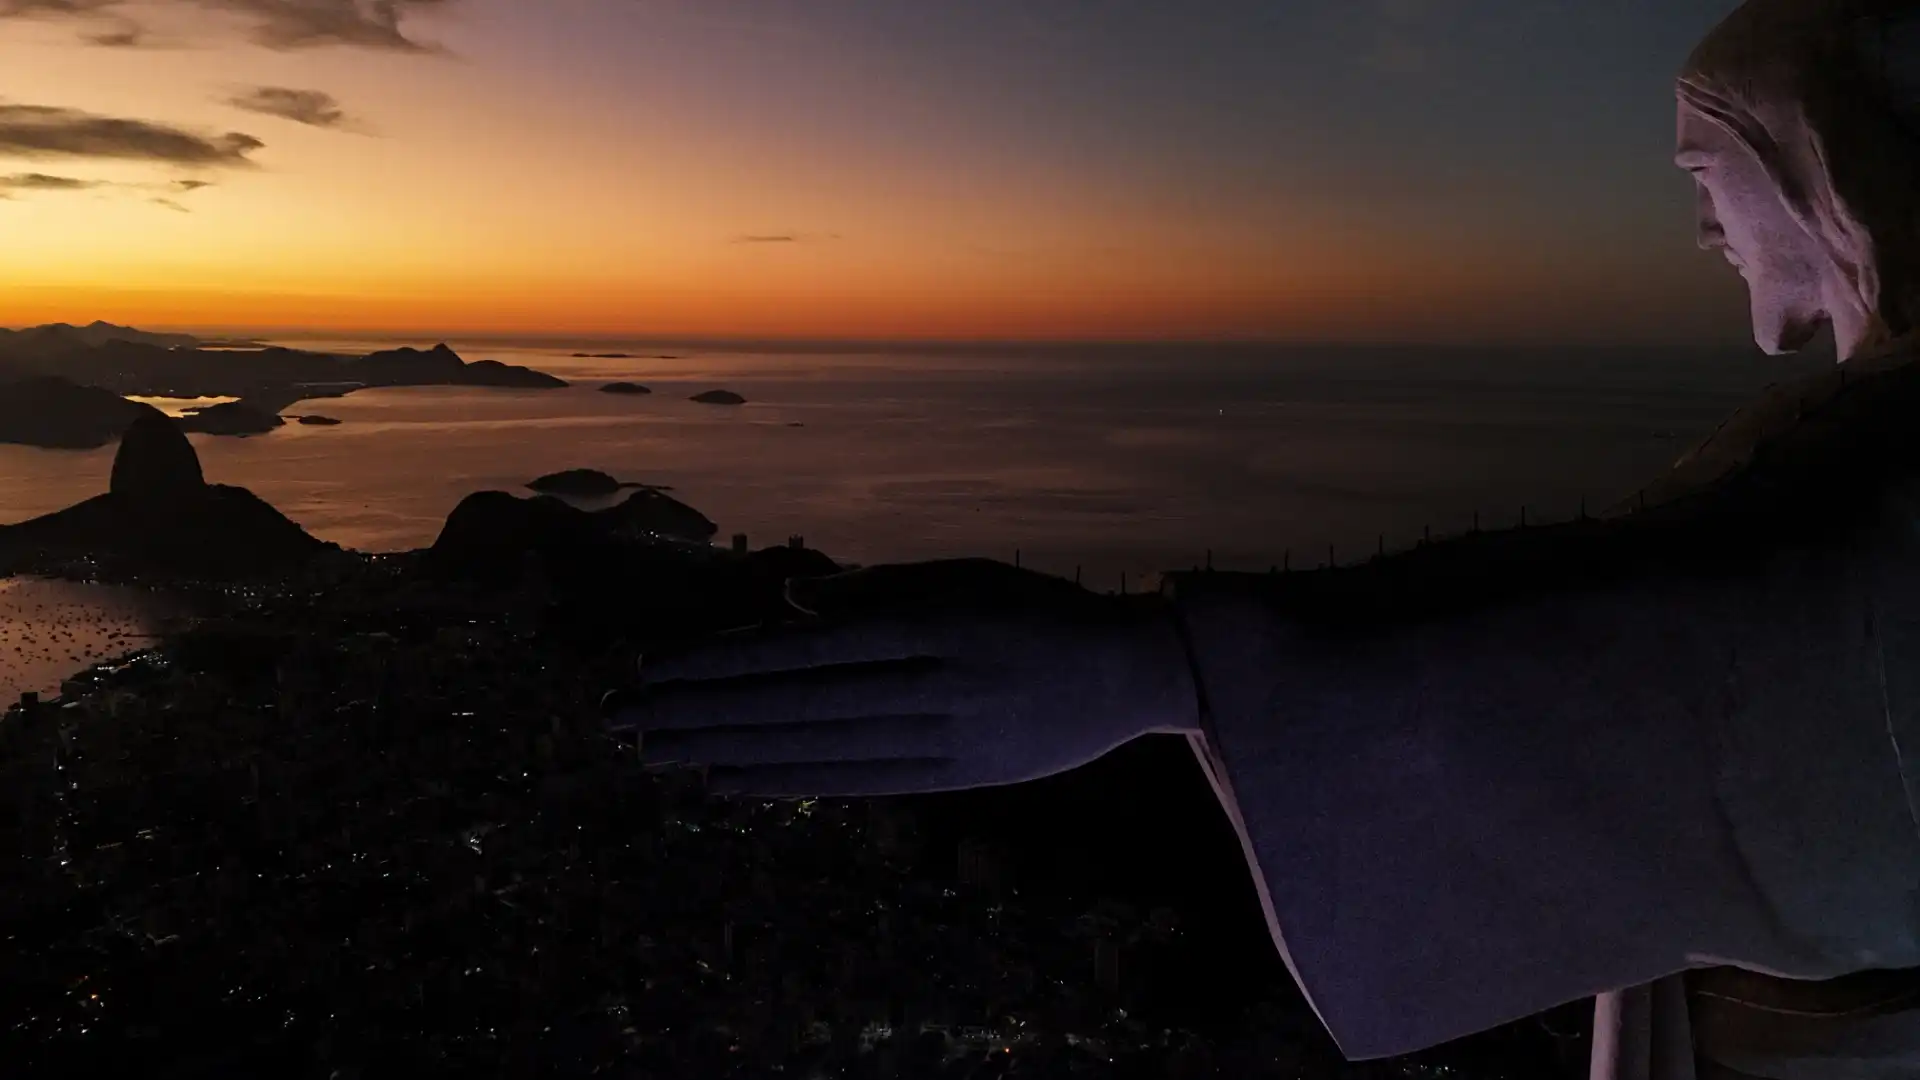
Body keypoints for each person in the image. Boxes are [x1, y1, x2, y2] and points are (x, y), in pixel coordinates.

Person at [606, 2, 1920, 1076]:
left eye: (1707, 174)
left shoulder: (1871, 467)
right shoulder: (1847, 443)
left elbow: (1733, 640)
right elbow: (1659, 615)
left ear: (1828, 164)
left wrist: (1155, 669)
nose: (1699, 227)